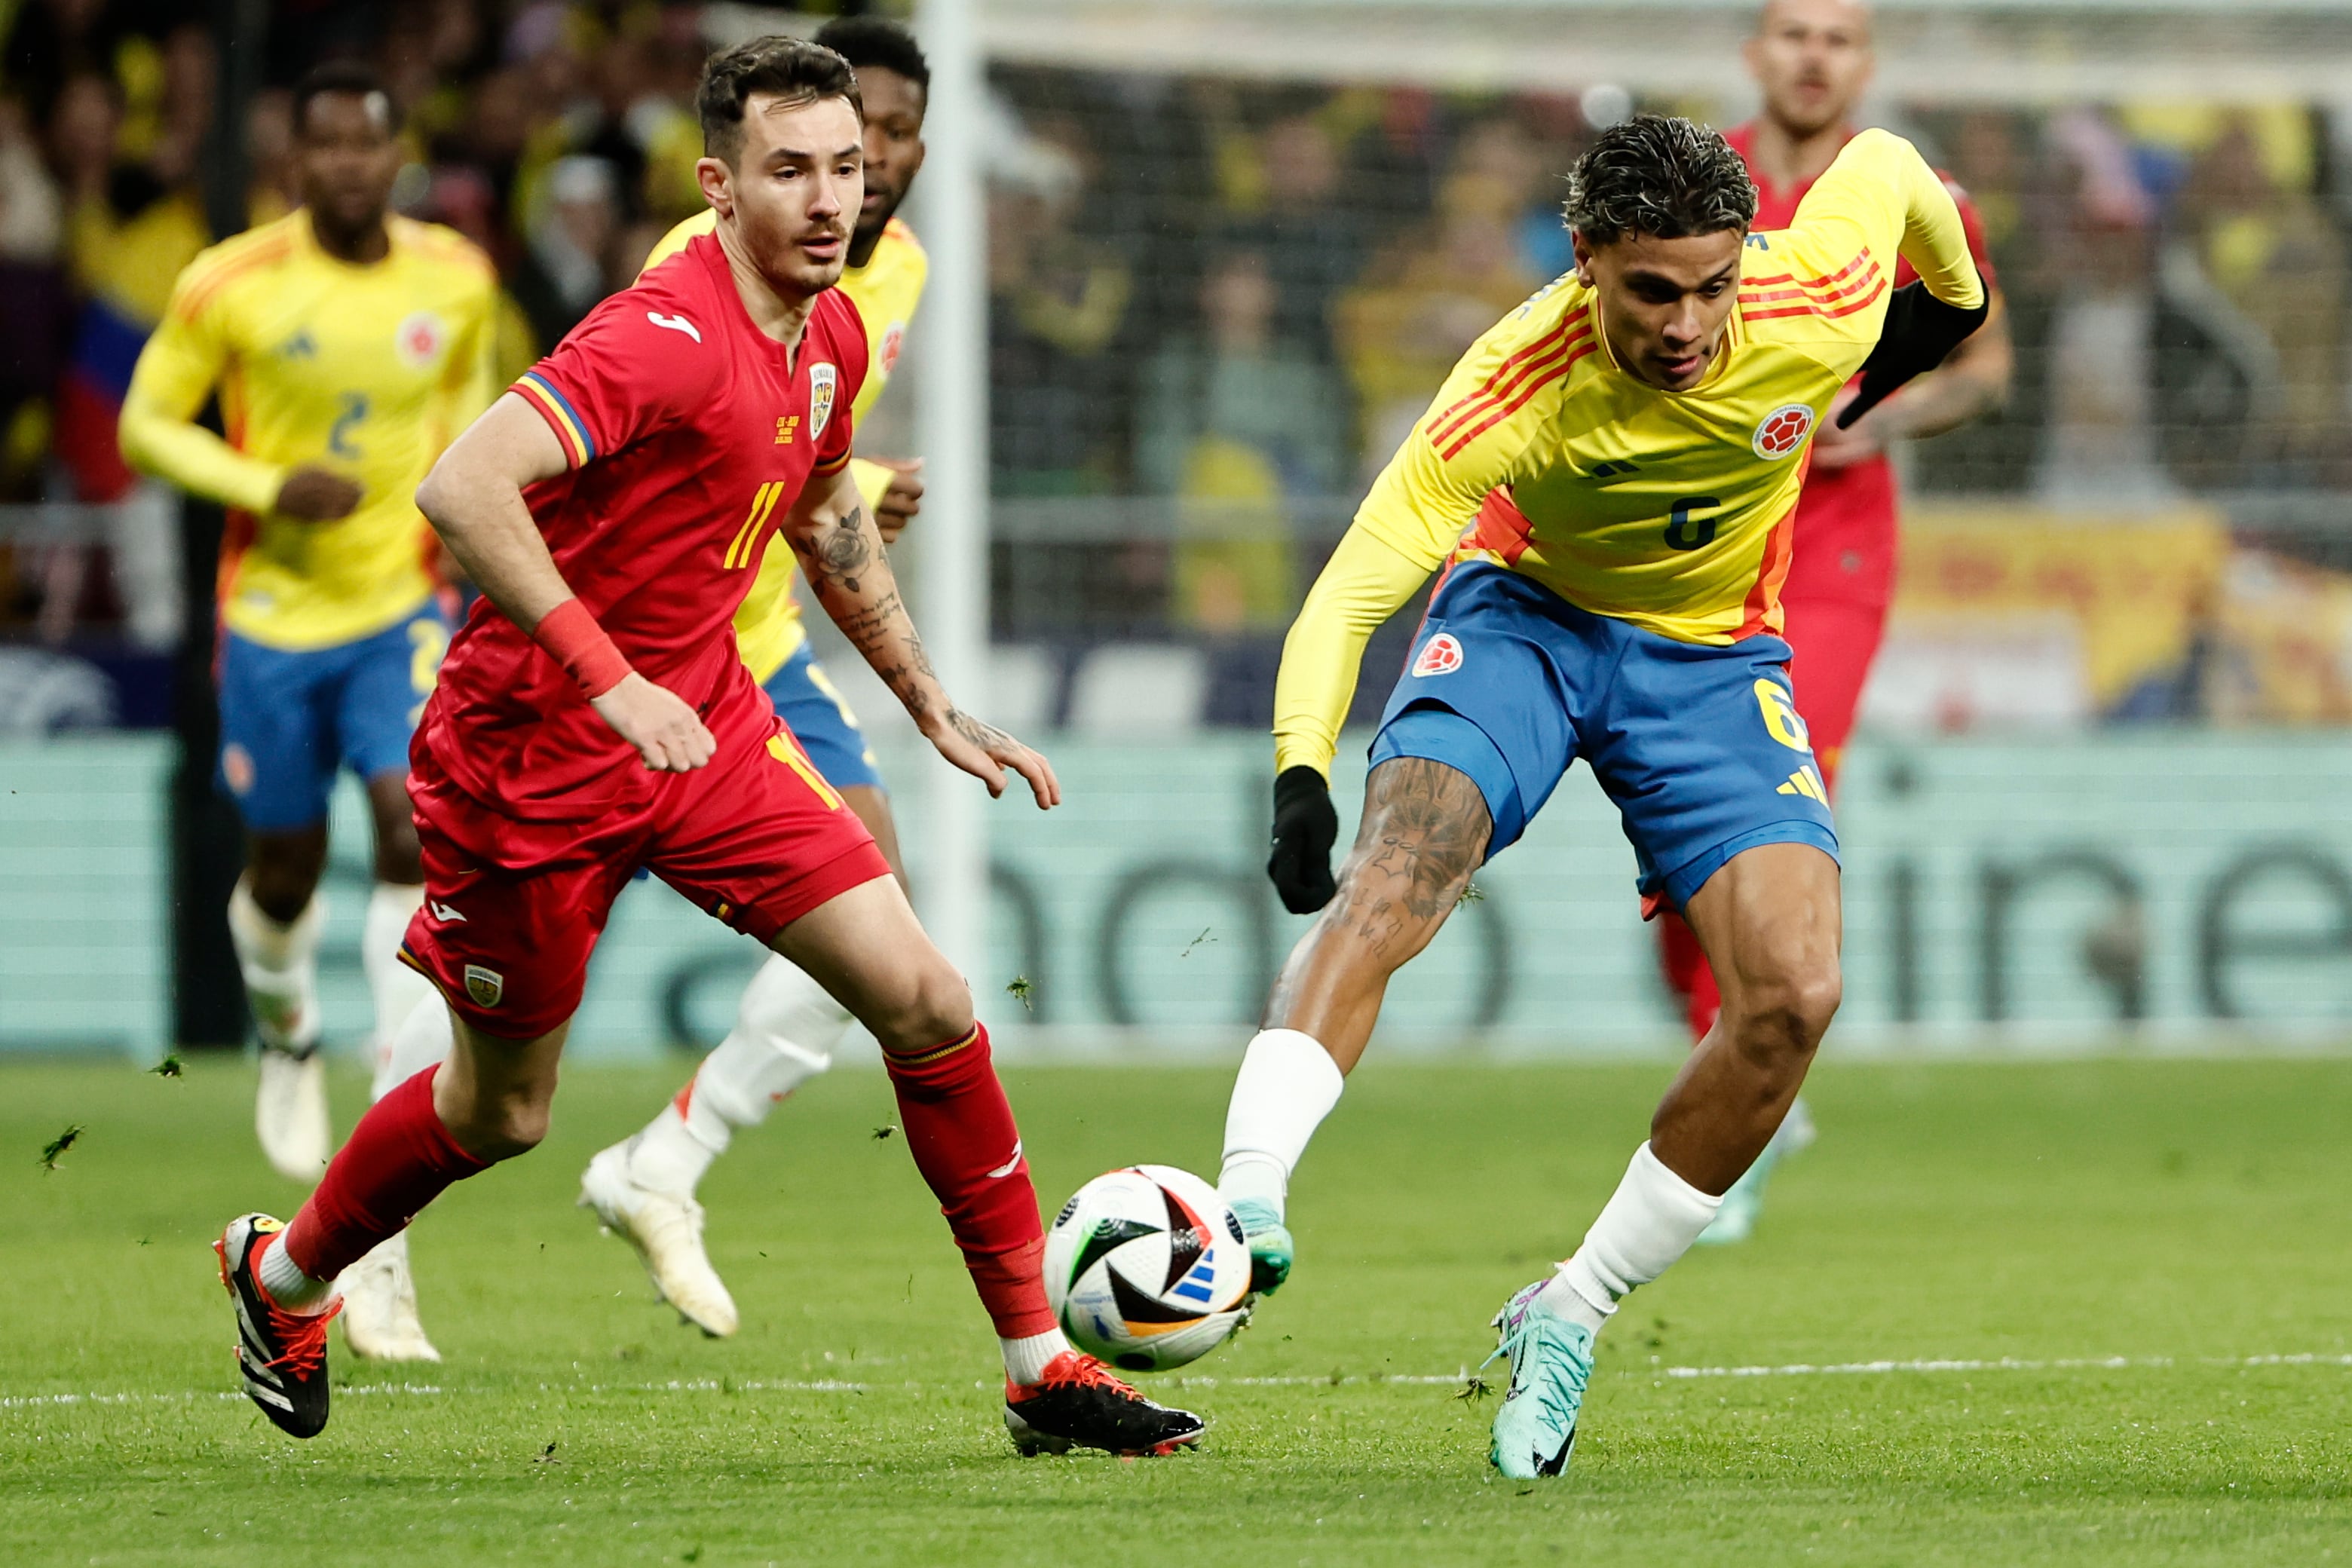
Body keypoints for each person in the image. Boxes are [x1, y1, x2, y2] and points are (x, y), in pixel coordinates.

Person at [210, 37, 1203, 1460]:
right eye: (789, 171)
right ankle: (284, 1274)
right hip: (537, 751)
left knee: (927, 996)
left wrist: (926, 700)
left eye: (846, 170)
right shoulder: (659, 335)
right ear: (719, 188)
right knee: (503, 1113)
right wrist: (607, 680)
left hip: (710, 728)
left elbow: (824, 516)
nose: (826, 201)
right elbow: (462, 486)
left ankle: (1039, 1364)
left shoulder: (836, 333)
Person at [1217, 113, 1986, 1478]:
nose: (1690, 322)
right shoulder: (1511, 381)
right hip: (1528, 621)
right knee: (1402, 874)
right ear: (1585, 263)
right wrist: (1297, 772)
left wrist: (1944, 318)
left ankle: (1567, 1311)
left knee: (1797, 996)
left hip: (1711, 658)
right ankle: (1243, 1203)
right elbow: (1354, 585)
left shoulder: (1815, 291)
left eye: (1712, 283)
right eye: (1651, 291)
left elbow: (1894, 162)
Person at [365, 14, 937, 1353]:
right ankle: (369, 1235)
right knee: (501, 1023)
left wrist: (846, 491)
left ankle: (669, 1159)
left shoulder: (882, 267)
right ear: (735, 172)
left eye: (890, 142)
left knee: (886, 908)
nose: (875, 169)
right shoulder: (701, 262)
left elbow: (803, 440)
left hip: (759, 646)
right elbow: (645, 428)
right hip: (629, 665)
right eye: (846, 148)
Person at [1655, 0, 2014, 1243]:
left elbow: (1983, 362)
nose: (1815, 53)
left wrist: (1890, 414)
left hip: (1838, 545)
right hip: (1708, 530)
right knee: (1668, 844)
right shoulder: (1699, 181)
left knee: (1771, 783)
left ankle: (1743, 1109)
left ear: (1865, 62)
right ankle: (1746, 1070)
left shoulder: (1916, 193)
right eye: (1793, 31)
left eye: (1839, 36)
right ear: (1756, 51)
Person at [118, 64, 497, 1187]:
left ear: (396, 157)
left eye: (365, 146)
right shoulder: (230, 282)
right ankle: (289, 1040)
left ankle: (395, 1090)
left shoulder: (459, 279)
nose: (346, 165)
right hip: (276, 613)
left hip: (400, 606)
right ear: (297, 162)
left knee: (410, 829)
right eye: (324, 146)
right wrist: (265, 485)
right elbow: (147, 428)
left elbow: (469, 419)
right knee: (284, 865)